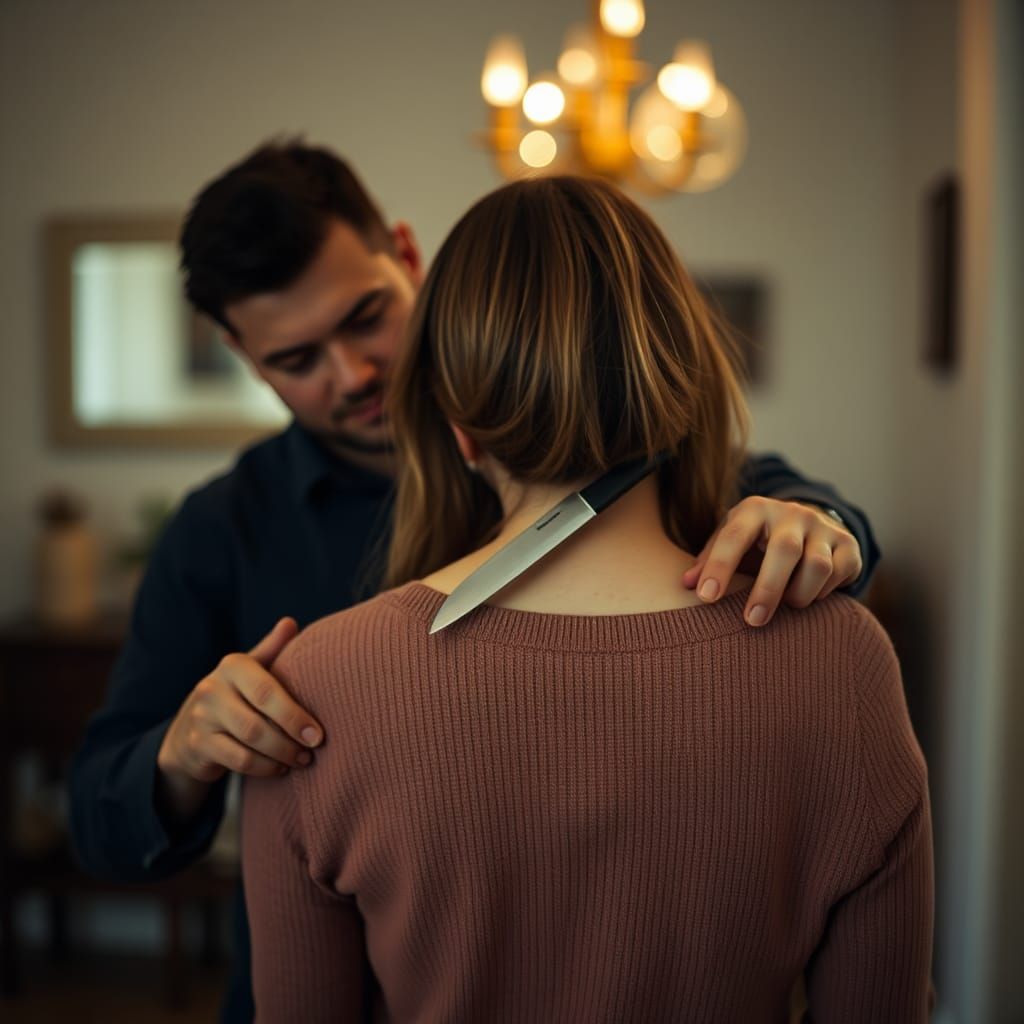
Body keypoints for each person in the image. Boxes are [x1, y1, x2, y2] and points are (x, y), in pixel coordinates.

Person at [69, 142, 881, 1023]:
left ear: (407, 258)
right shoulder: (220, 529)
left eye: (365, 317)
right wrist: (181, 752)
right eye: (296, 360)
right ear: (240, 353)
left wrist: (820, 527)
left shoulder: (661, 472)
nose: (352, 375)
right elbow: (97, 821)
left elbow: (784, 496)